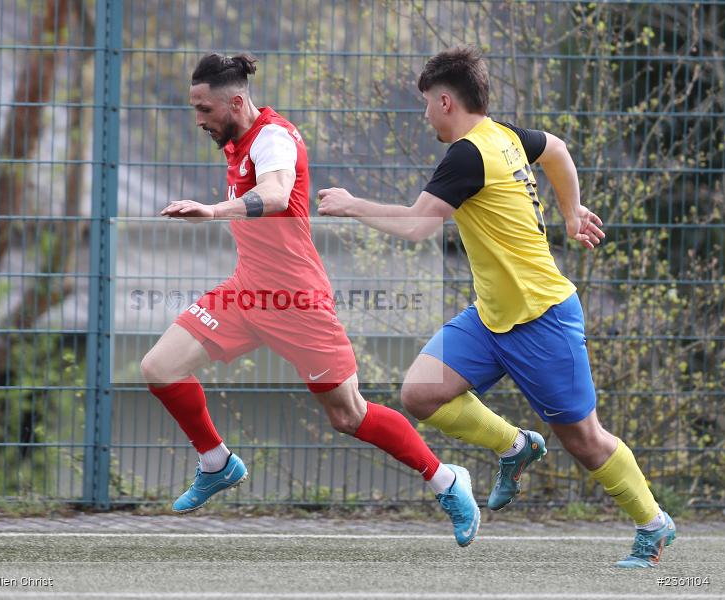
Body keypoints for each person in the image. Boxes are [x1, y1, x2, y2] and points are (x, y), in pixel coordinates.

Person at [317, 45, 675, 568]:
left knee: (586, 442)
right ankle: (515, 446)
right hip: (492, 317)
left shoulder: (468, 153)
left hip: (542, 319)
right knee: (421, 393)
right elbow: (555, 148)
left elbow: (418, 226)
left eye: (424, 105)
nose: (423, 117)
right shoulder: (504, 136)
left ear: (444, 101)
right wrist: (571, 212)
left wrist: (352, 205)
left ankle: (654, 524)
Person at [141, 52, 480, 546]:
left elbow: (277, 195)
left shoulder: (274, 138)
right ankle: (216, 462)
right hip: (247, 291)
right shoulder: (237, 138)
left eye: (205, 110)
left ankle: (447, 481)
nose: (199, 121)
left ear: (236, 102)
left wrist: (211, 212)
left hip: (297, 302)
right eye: (194, 109)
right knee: (159, 367)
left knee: (349, 416)